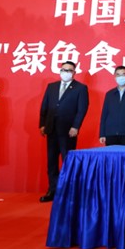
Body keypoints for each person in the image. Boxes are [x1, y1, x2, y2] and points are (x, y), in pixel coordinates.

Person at [38, 60, 89, 202]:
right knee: (52, 162)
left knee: (68, 161)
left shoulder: (80, 88)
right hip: (51, 129)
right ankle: (52, 190)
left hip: (68, 131)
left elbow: (82, 109)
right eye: (63, 70)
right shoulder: (52, 87)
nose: (66, 72)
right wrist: (42, 124)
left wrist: (76, 126)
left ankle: (68, 192)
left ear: (74, 73)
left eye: (69, 70)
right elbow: (44, 106)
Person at [98, 66, 125, 146]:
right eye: (118, 75)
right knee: (110, 154)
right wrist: (102, 133)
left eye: (123, 74)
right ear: (115, 77)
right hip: (110, 132)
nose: (121, 77)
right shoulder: (109, 94)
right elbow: (104, 115)